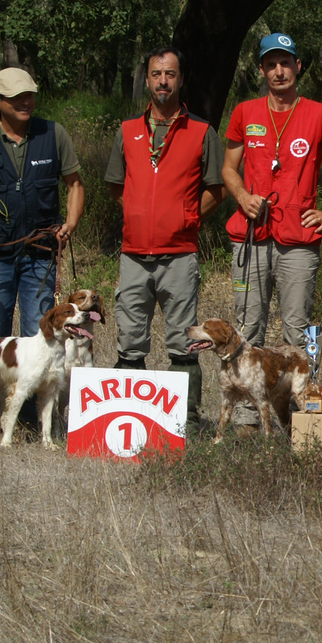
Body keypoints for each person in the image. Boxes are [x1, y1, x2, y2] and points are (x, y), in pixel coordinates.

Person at [221, 32, 322, 428]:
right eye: (271, 64)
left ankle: (303, 408)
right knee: (247, 326)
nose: (279, 71)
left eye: (286, 62)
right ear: (261, 69)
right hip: (251, 236)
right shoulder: (244, 112)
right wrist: (241, 195)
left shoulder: (320, 113)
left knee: (297, 326)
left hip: (298, 240)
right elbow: (227, 168)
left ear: (298, 67)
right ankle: (246, 414)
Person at [104, 46, 225, 425]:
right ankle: (126, 417)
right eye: (156, 74)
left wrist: (187, 216)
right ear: (147, 78)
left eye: (170, 74)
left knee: (184, 341)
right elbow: (114, 185)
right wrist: (139, 212)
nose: (163, 81)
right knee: (129, 340)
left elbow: (216, 189)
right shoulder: (126, 131)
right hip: (134, 254)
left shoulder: (202, 131)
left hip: (179, 255)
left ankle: (183, 419)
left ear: (180, 79)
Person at [0, 67, 84, 341]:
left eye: (29, 96)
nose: (25, 102)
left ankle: (33, 386)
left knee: (38, 337)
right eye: (16, 98)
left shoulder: (53, 134)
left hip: (40, 254)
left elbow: (75, 185)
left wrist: (70, 224)